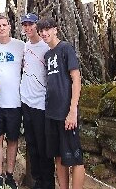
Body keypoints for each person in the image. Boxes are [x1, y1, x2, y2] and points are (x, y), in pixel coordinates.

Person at [37, 17, 84, 189]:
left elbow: (76, 79)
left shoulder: (65, 48)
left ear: (55, 29)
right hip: (51, 113)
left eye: (47, 29)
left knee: (75, 157)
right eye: (41, 30)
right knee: (58, 156)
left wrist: (72, 111)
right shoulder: (47, 55)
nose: (44, 33)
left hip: (66, 112)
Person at [0, 15, 24, 189]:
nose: (1, 28)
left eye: (4, 25)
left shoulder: (20, 46)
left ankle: (10, 175)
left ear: (10, 26)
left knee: (13, 139)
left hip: (15, 102)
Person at [19, 13, 54, 189]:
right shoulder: (24, 47)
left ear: (37, 27)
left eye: (31, 24)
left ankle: (48, 182)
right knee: (31, 144)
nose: (28, 28)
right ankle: (37, 180)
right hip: (26, 101)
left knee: (43, 145)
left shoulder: (47, 48)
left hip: (41, 103)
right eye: (25, 25)